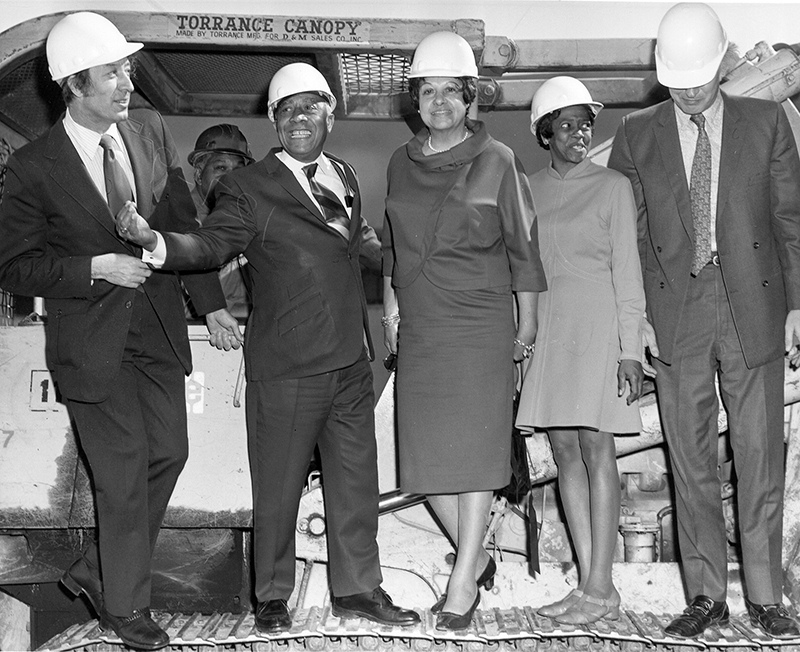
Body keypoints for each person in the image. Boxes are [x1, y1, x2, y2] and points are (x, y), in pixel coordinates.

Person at [114, 62, 421, 634]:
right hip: (288, 363)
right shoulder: (247, 187)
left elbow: (350, 248)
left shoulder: (347, 175)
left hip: (352, 361)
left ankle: (357, 588)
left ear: (330, 112)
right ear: (275, 122)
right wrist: (156, 242)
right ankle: (272, 594)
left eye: (310, 107)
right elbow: (210, 243)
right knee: (277, 487)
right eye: (286, 110)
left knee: (355, 484)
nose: (298, 118)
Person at [0, 12, 230, 650]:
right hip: (91, 341)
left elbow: (179, 214)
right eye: (113, 72)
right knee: (123, 470)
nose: (127, 82)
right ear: (75, 85)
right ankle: (127, 609)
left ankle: (98, 572)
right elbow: (15, 264)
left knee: (170, 453)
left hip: (157, 327)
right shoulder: (34, 168)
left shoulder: (150, 129)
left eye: (126, 68)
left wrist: (208, 302)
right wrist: (93, 267)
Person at [608, 2, 800, 640]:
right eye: (675, 78)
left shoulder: (767, 120)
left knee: (759, 455)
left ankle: (767, 595)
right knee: (688, 459)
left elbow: (790, 223)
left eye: (697, 75)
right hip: (673, 312)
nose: (687, 90)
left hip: (755, 305)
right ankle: (706, 595)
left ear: (722, 62)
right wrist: (633, 322)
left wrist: (798, 306)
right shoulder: (637, 133)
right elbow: (625, 238)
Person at [381, 31, 546, 631]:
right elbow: (393, 248)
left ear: (471, 96)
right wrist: (390, 308)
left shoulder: (499, 160)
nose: (441, 102)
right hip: (421, 323)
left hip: (480, 323)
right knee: (424, 462)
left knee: (475, 457)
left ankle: (462, 586)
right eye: (429, 91)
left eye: (453, 91)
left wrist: (525, 330)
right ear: (416, 99)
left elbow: (525, 253)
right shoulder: (401, 161)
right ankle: (476, 555)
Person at [514, 76, 645, 625]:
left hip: (598, 331)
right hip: (549, 332)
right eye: (566, 125)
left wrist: (630, 350)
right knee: (564, 449)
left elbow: (628, 274)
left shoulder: (613, 186)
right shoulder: (527, 190)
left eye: (585, 124)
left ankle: (601, 584)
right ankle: (592, 587)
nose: (578, 133)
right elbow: (520, 270)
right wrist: (520, 337)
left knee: (598, 448)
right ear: (545, 133)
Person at [186, 123, 255, 317]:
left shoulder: (248, 221)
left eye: (238, 170)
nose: (229, 179)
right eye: (220, 168)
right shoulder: (178, 222)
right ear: (199, 173)